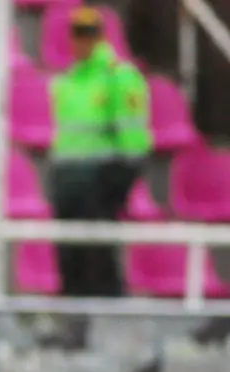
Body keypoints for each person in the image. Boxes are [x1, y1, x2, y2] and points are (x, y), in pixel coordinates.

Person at [48, 6, 153, 298]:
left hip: (100, 178)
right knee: (70, 257)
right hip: (68, 179)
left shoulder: (118, 77)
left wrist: (117, 182)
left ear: (101, 36)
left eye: (89, 34)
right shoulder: (67, 81)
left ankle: (105, 320)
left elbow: (133, 138)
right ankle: (73, 329)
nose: (82, 41)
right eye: (78, 34)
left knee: (99, 256)